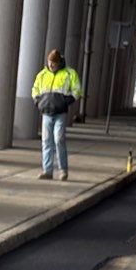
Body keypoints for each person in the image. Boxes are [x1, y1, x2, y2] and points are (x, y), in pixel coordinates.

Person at [31, 49, 82, 182]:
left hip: (60, 112)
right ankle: (47, 170)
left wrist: (66, 102)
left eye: (54, 63)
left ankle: (63, 170)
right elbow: (35, 89)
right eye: (49, 62)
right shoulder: (42, 75)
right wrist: (38, 102)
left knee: (59, 139)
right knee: (46, 141)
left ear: (59, 62)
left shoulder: (69, 74)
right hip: (47, 112)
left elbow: (77, 90)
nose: (51, 65)